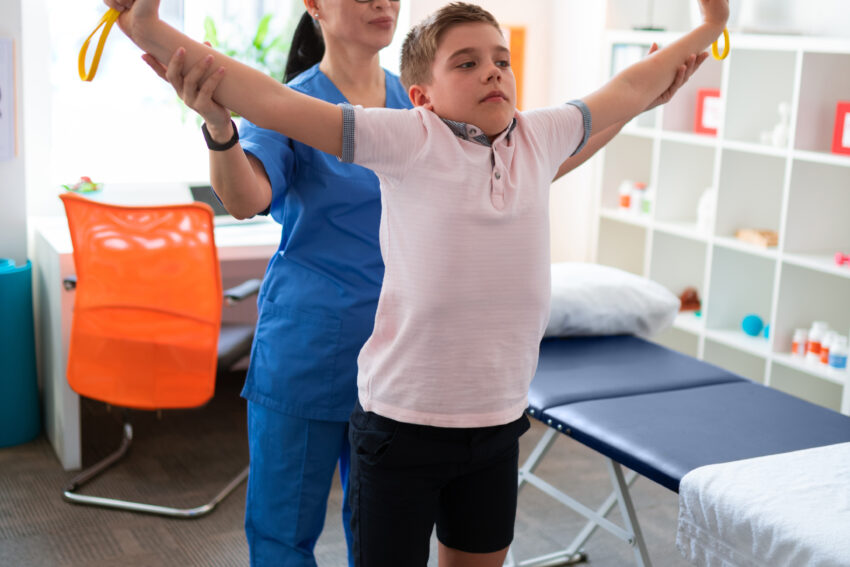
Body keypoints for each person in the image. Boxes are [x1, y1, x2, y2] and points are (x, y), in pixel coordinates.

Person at [103, 1, 721, 565]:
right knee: (284, 534)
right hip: (336, 358)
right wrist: (169, 57)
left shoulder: (480, 121)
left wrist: (681, 57)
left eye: (501, 60)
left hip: (465, 391)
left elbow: (585, 122)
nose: (493, 72)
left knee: (367, 530)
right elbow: (254, 150)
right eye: (471, 61)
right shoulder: (393, 127)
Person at [126, 1, 409, 566]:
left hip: (398, 356)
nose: (382, 2)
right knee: (283, 537)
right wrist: (219, 127)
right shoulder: (289, 103)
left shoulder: (416, 101)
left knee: (384, 539)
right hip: (309, 352)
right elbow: (245, 196)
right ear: (314, 6)